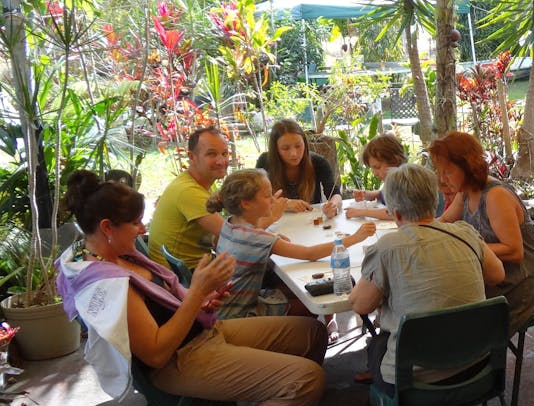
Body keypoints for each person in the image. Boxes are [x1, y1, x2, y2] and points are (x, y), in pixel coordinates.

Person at [58, 170, 327, 406]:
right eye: (136, 224)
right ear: (108, 227)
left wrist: (200, 299)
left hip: (202, 334)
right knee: (305, 378)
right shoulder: (108, 284)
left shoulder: (114, 253)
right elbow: (156, 353)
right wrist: (195, 294)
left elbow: (169, 306)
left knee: (310, 333)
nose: (143, 230)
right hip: (178, 362)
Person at [348, 164, 505, 406]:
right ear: (433, 201)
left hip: (415, 387)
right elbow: (497, 274)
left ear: (394, 214)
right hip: (480, 370)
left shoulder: (387, 248)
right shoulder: (465, 233)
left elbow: (360, 306)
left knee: (380, 345)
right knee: (437, 334)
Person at [206, 169, 376, 319]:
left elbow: (251, 239)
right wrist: (354, 238)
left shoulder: (229, 224)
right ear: (246, 203)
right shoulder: (256, 238)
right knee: (310, 307)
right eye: (267, 196)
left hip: (225, 308)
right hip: (240, 315)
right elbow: (310, 254)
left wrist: (268, 233)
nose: (273, 200)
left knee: (301, 292)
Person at [429, 132, 534, 335]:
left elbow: (515, 252)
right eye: (440, 172)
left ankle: (475, 358)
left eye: (447, 172)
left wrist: (467, 247)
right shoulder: (465, 191)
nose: (442, 178)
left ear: (466, 166)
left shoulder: (495, 196)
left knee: (454, 304)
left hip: (518, 281)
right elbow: (444, 222)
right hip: (492, 271)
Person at [148, 126, 249, 270]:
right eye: (212, 154)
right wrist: (269, 219)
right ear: (191, 157)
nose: (221, 161)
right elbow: (234, 237)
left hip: (190, 268)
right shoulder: (188, 191)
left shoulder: (199, 182)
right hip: (183, 279)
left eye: (224, 153)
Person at [257, 119, 342, 218]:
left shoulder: (318, 162)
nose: (294, 153)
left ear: (305, 144)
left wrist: (333, 206)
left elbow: (334, 193)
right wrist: (286, 204)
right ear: (276, 149)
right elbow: (255, 199)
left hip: (310, 221)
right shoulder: (265, 162)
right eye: (285, 148)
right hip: (276, 222)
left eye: (298, 146)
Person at [346, 133, 408, 221]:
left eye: (377, 167)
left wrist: (361, 212)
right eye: (372, 168)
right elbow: (382, 194)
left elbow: (397, 212)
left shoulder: (406, 181)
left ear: (394, 161)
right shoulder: (392, 180)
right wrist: (365, 194)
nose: (375, 173)